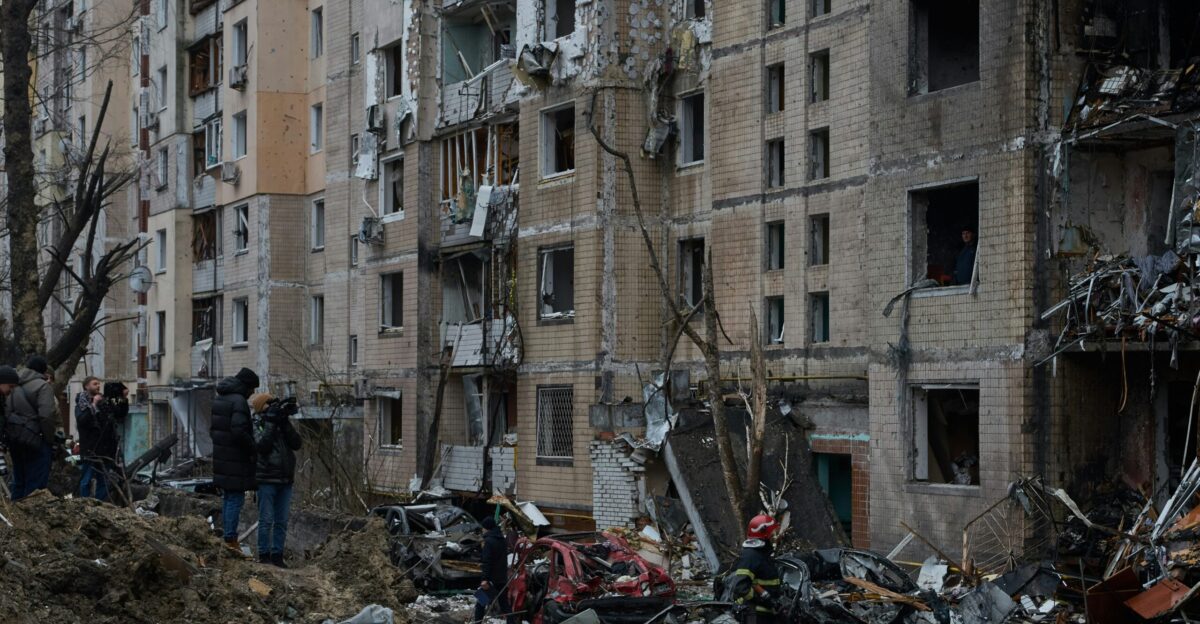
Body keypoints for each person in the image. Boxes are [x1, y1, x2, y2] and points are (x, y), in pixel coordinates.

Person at [211, 367, 259, 554]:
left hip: (222, 457)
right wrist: (252, 447)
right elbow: (239, 431)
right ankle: (230, 539)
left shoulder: (221, 398)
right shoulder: (238, 402)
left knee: (229, 497)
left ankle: (228, 537)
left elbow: (214, 430)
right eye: (252, 389)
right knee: (235, 499)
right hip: (235, 459)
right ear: (246, 386)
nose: (252, 393)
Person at [250, 392, 301, 567]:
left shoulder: (280, 423)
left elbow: (296, 443)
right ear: (262, 407)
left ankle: (278, 555)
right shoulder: (256, 423)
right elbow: (262, 446)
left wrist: (285, 423)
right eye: (269, 404)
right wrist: (271, 423)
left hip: (285, 479)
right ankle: (264, 555)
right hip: (266, 479)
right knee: (266, 519)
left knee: (282, 520)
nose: (273, 408)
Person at [6, 356, 58, 500]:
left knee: (19, 481)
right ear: (43, 371)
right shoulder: (43, 386)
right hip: (36, 440)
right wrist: (49, 439)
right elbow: (46, 416)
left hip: (15, 439)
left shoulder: (12, 385)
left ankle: (16, 518)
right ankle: (32, 519)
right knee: (35, 486)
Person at [723, 514, 782, 623]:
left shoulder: (763, 555)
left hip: (767, 615)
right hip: (754, 616)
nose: (775, 537)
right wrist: (765, 599)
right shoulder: (751, 556)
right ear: (764, 534)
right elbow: (741, 587)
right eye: (772, 534)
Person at [474, 514, 510, 622]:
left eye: (483, 528)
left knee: (480, 603)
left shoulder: (489, 542)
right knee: (504, 604)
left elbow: (487, 561)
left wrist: (484, 579)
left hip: (491, 580)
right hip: (502, 578)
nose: (482, 530)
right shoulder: (502, 540)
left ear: (487, 528)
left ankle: (477, 622)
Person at [75, 376, 105, 498]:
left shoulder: (102, 402)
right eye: (94, 384)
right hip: (89, 448)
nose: (98, 386)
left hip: (102, 448)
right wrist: (93, 405)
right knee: (86, 479)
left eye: (98, 383)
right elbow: (82, 421)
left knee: (103, 479)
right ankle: (84, 502)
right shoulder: (81, 404)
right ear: (86, 386)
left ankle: (100, 503)